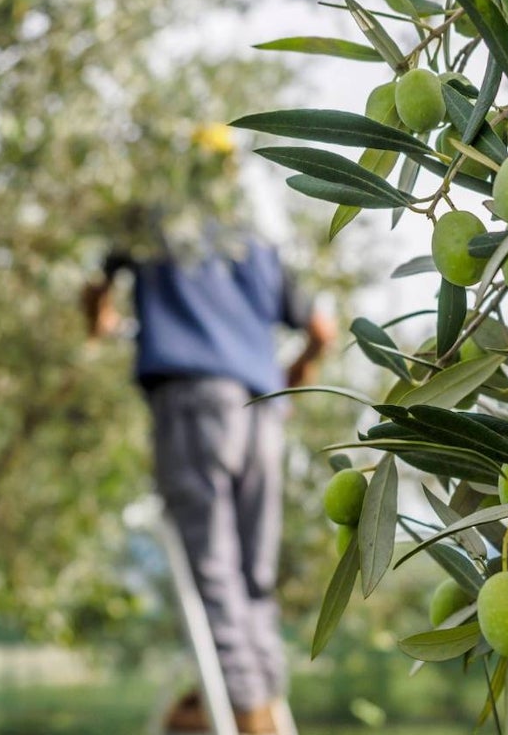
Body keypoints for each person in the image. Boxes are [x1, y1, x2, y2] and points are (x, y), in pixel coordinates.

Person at [84, 220, 334, 735]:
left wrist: (99, 317)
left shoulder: (152, 218)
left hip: (195, 403)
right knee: (254, 580)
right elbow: (322, 332)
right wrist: (291, 378)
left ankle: (250, 720)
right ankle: (261, 701)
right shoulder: (254, 238)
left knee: (215, 574)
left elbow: (95, 286)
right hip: (262, 412)